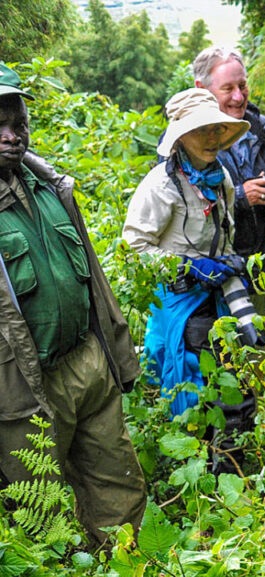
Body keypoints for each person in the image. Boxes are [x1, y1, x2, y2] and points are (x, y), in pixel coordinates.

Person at [0, 64, 146, 550]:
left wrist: (117, 356)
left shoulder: (48, 187)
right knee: (37, 516)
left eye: (17, 123)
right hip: (20, 385)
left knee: (119, 488)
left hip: (87, 361)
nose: (10, 137)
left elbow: (94, 281)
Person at [122, 87, 256, 473]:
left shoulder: (221, 178)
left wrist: (227, 263)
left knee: (236, 382)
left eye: (217, 130)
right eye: (203, 132)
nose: (213, 139)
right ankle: (196, 476)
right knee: (193, 390)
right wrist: (186, 265)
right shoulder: (160, 186)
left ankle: (231, 470)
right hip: (182, 302)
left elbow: (224, 231)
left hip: (220, 299)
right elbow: (133, 247)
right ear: (181, 137)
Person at [192, 46, 265, 313]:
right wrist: (241, 196)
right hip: (209, 269)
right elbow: (184, 209)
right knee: (216, 347)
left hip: (257, 262)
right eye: (228, 88)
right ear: (202, 88)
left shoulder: (261, 127)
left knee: (257, 345)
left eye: (243, 85)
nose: (238, 96)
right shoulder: (185, 137)